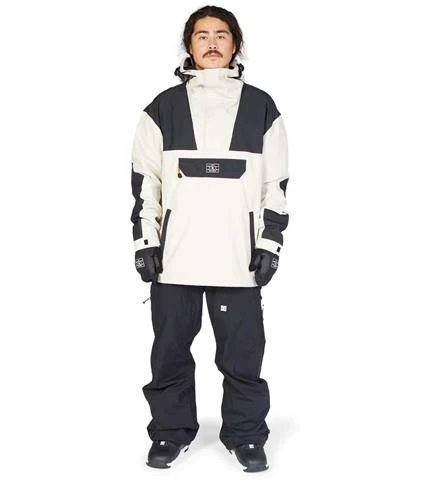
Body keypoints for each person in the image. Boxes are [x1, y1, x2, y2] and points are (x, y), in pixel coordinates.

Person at [130, 5, 289, 472]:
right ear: (189, 45)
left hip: (237, 258)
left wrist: (270, 243)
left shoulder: (261, 106)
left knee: (243, 356)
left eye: (222, 34)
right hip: (175, 258)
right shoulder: (162, 108)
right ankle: (170, 431)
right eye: (202, 35)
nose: (213, 43)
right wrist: (145, 242)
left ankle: (245, 435)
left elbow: (275, 183)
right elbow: (146, 182)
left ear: (235, 45)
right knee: (170, 352)